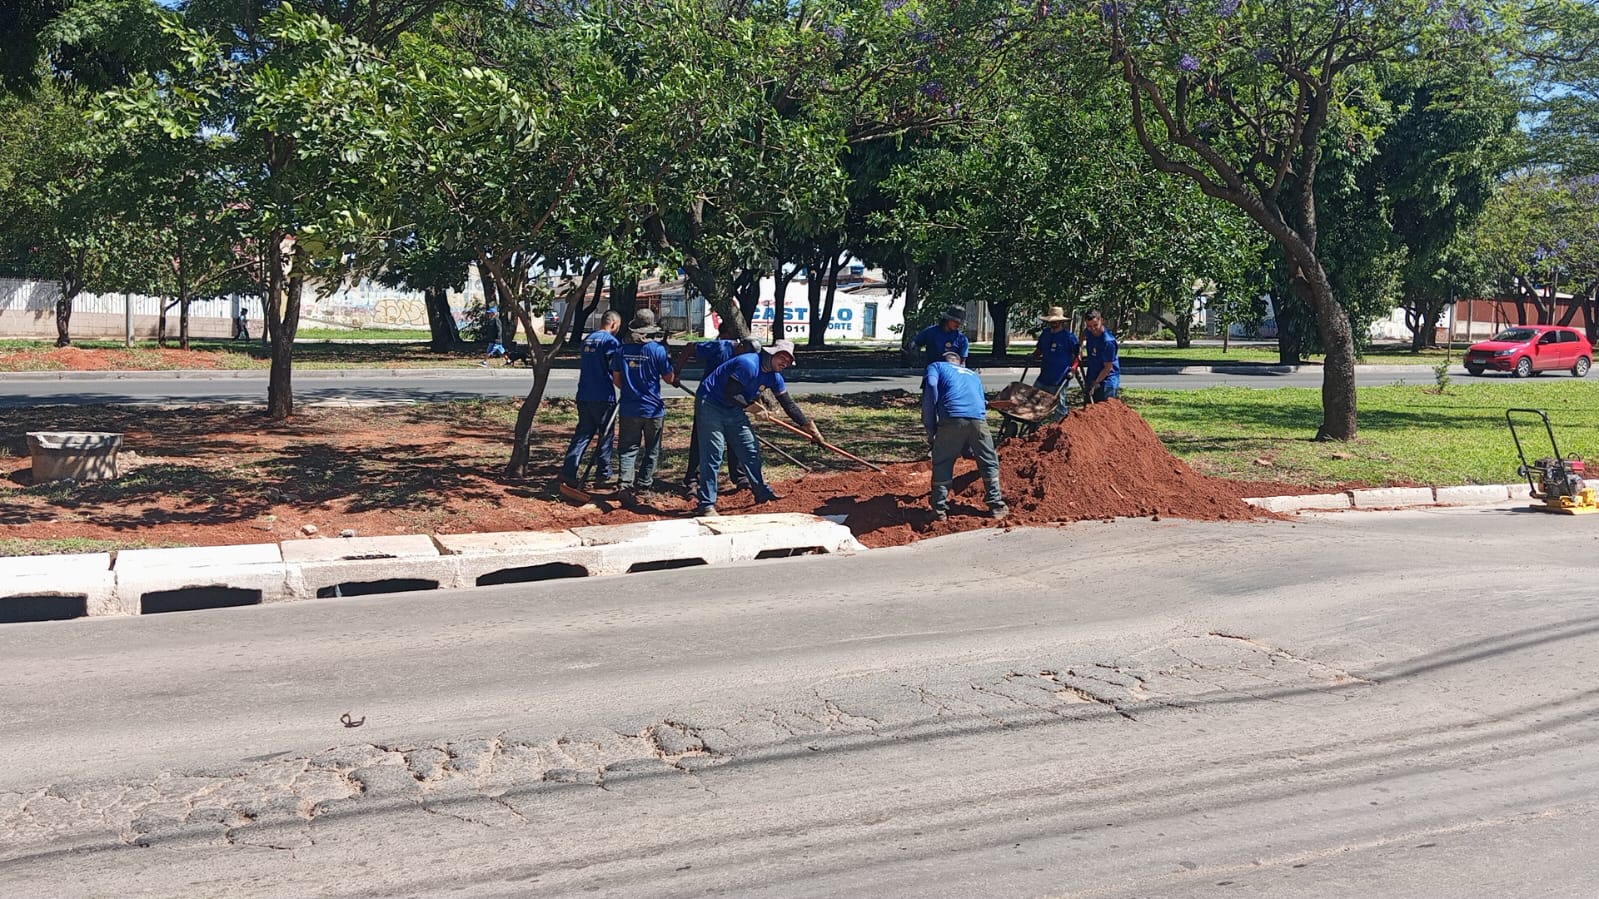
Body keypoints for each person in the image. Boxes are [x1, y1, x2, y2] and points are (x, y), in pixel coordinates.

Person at [693, 339, 822, 516]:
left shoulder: (775, 377)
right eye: (782, 357)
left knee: (750, 448)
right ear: (771, 353)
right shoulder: (748, 364)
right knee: (713, 453)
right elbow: (730, 392)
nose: (785, 362)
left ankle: (762, 492)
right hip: (711, 404)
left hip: (734, 409)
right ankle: (706, 504)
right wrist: (752, 407)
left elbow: (788, 404)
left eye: (788, 360)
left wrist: (807, 426)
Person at [673, 321, 755, 498]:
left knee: (736, 438)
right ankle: (693, 481)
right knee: (701, 441)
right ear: (738, 345)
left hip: (732, 401)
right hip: (708, 402)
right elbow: (689, 347)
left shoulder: (750, 357)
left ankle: (740, 477)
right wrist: (676, 372)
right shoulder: (719, 347)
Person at [923, 351, 1007, 522]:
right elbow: (980, 400)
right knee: (988, 461)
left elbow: (931, 385)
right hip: (979, 420)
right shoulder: (973, 374)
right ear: (960, 362)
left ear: (944, 360)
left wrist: (931, 429)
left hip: (952, 419)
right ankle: (996, 506)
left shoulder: (937, 366)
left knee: (943, 462)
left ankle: (939, 510)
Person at [611, 309, 677, 501]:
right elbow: (669, 378)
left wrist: (631, 390)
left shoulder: (621, 351)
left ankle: (625, 483)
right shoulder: (658, 351)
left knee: (628, 448)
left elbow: (617, 380)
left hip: (629, 408)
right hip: (653, 410)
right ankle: (644, 485)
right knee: (652, 449)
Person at [559, 310, 622, 488]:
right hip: (602, 395)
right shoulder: (611, 342)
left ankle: (568, 471)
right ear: (614, 324)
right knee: (606, 435)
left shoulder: (588, 339)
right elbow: (614, 368)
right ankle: (603, 474)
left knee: (583, 433)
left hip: (584, 393)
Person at [1031, 305, 1081, 418]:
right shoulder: (1046, 334)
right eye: (1052, 321)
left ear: (1061, 322)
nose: (1054, 323)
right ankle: (1034, 428)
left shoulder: (1069, 337)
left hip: (1060, 378)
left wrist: (1073, 369)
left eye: (1056, 321)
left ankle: (1061, 429)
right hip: (1044, 376)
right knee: (1034, 401)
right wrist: (1032, 357)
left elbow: (1078, 355)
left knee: (1059, 407)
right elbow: (1039, 349)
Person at [1081, 308, 1120, 402]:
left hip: (1106, 382)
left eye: (1095, 325)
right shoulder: (1089, 332)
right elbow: (1084, 333)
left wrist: (1096, 383)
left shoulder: (1108, 342)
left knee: (1104, 412)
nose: (1093, 329)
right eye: (1089, 326)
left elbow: (1108, 367)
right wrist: (1080, 347)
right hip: (1091, 376)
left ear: (1101, 320)